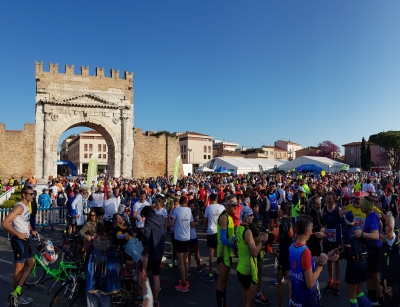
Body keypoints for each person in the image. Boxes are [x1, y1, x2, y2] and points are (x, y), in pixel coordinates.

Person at [2, 185, 37, 305]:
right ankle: (15, 295)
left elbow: (26, 221)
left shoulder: (27, 206)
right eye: (31, 194)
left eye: (34, 193)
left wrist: (31, 230)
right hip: (19, 241)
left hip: (25, 240)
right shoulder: (19, 207)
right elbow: (5, 223)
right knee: (19, 269)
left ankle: (18, 291)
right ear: (24, 195)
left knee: (31, 264)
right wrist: (18, 234)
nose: (33, 196)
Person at [289, 215, 330, 307]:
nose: (312, 232)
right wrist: (321, 264)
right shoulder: (305, 252)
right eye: (311, 230)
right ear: (306, 231)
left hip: (295, 298)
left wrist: (324, 257)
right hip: (308, 300)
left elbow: (304, 262)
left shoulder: (292, 247)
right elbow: (310, 283)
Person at [236, 206, 269, 307]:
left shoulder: (238, 228)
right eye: (251, 215)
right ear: (245, 216)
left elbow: (244, 244)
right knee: (249, 303)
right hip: (249, 270)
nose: (253, 217)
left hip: (241, 268)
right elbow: (254, 252)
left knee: (244, 297)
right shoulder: (248, 231)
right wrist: (262, 241)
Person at [354, 197, 383, 306]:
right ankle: (373, 298)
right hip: (371, 251)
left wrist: (362, 234)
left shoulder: (371, 218)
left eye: (361, 205)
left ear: (366, 206)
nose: (360, 206)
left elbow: (375, 236)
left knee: (375, 278)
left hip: (374, 252)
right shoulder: (372, 215)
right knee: (371, 276)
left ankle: (381, 301)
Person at [340, 210, 370, 307]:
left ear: (345, 220)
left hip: (354, 264)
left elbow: (348, 253)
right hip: (362, 262)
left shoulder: (347, 232)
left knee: (352, 296)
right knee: (359, 291)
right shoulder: (359, 230)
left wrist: (337, 256)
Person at [86, 222, 120, 307]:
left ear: (96, 231)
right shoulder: (110, 246)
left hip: (93, 281)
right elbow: (115, 265)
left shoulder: (93, 245)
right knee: (105, 304)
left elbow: (87, 261)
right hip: (106, 283)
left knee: (92, 304)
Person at [141, 205, 166, 307]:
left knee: (143, 273)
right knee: (156, 275)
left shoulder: (148, 221)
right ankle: (156, 300)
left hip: (151, 251)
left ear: (146, 215)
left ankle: (144, 297)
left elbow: (146, 236)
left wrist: (143, 241)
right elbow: (164, 233)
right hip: (159, 249)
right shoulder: (160, 218)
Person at [216, 195, 238, 307]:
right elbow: (223, 239)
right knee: (221, 282)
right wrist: (236, 245)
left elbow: (230, 236)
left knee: (225, 282)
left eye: (237, 204)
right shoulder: (224, 217)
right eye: (234, 204)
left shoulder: (229, 216)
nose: (236, 206)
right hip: (223, 253)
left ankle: (224, 303)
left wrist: (234, 238)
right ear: (228, 204)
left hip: (228, 252)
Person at [169, 196, 194, 292]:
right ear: (186, 202)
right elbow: (192, 224)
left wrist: (169, 221)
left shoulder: (176, 210)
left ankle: (184, 284)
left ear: (179, 202)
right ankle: (186, 279)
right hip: (187, 238)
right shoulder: (189, 210)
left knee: (180, 262)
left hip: (179, 238)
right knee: (186, 260)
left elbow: (172, 224)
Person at [322, 191, 343, 295]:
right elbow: (322, 225)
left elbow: (342, 226)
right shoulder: (323, 210)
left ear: (334, 199)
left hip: (336, 240)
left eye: (330, 199)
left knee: (336, 260)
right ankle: (331, 280)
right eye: (327, 198)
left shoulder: (338, 210)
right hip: (327, 240)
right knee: (328, 261)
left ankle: (337, 281)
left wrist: (343, 241)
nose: (328, 200)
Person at [203, 193, 225, 282]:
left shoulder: (208, 208)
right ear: (217, 198)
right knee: (219, 254)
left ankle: (211, 273)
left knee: (211, 254)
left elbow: (204, 221)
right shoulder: (222, 207)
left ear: (209, 199)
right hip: (220, 232)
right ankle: (219, 272)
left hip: (211, 232)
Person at [381, 212, 400, 307]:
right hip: (387, 290)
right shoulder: (384, 244)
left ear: (391, 229)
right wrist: (383, 280)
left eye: (386, 227)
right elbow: (382, 265)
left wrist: (395, 290)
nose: (384, 229)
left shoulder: (398, 247)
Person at [277, 202, 293, 307]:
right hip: (290, 252)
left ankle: (280, 305)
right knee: (289, 281)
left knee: (280, 283)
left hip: (283, 254)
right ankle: (291, 302)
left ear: (281, 211)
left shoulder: (282, 224)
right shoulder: (290, 222)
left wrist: (278, 254)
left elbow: (282, 243)